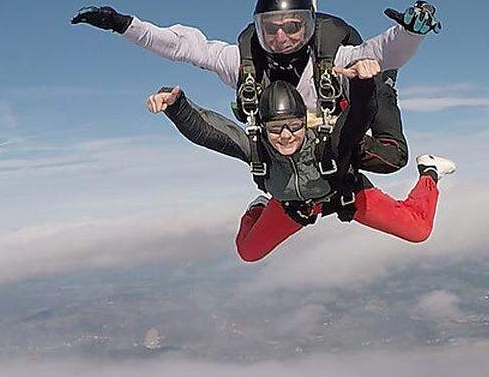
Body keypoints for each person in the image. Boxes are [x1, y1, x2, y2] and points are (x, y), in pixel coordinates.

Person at [73, 0, 440, 174]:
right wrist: (124, 25)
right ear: (259, 28)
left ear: (310, 26)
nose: (281, 37)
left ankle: (381, 105)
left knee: (391, 152)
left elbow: (381, 52)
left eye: (293, 26)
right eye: (271, 28)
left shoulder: (332, 58)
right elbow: (185, 46)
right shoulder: (243, 64)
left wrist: (410, 33)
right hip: (288, 146)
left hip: (336, 134)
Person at [146, 76, 455, 262]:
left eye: (294, 126)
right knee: (248, 251)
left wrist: (363, 84)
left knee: (418, 230)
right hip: (292, 205)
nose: (285, 136)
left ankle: (429, 172)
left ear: (304, 124)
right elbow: (212, 133)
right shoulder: (259, 148)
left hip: (343, 195)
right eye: (276, 128)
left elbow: (359, 118)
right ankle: (258, 208)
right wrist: (176, 106)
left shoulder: (326, 144)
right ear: (262, 127)